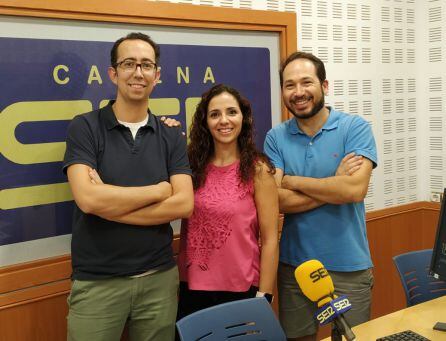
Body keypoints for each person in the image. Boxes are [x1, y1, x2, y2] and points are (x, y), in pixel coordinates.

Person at [63, 32, 194, 341]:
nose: (138, 72)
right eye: (128, 64)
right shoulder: (85, 127)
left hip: (159, 281)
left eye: (147, 65)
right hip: (97, 284)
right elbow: (88, 199)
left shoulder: (171, 135)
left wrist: (109, 204)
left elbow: (184, 205)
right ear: (113, 73)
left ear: (157, 75)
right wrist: (159, 191)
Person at [264, 51, 377, 341]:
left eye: (306, 82)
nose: (298, 92)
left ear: (324, 86)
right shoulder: (275, 138)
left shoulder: (355, 128)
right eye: (290, 85)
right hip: (294, 268)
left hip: (348, 266)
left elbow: (354, 190)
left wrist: (291, 180)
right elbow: (276, 200)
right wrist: (334, 184)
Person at [175, 84, 279, 319]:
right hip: (193, 288)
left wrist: (265, 294)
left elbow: (271, 239)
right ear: (205, 122)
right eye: (215, 114)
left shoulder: (258, 170)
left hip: (242, 289)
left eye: (231, 112)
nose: (224, 120)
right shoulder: (190, 167)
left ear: (244, 117)